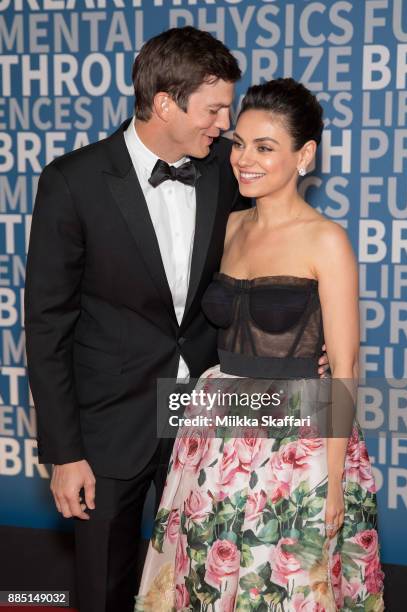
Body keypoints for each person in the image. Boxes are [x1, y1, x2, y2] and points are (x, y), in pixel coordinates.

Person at [25, 27, 329, 612]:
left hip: (211, 427)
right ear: (166, 102)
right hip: (109, 429)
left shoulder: (224, 172)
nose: (225, 126)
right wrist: (64, 454)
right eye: (215, 109)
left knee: (202, 586)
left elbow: (272, 259)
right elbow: (47, 327)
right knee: (102, 590)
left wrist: (307, 346)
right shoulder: (73, 181)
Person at [136, 79, 384, 611]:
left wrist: (334, 481)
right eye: (240, 144)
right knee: (208, 574)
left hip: (300, 442)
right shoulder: (227, 227)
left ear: (305, 154)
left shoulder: (326, 240)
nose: (245, 159)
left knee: (280, 584)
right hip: (215, 429)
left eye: (265, 147)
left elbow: (344, 364)